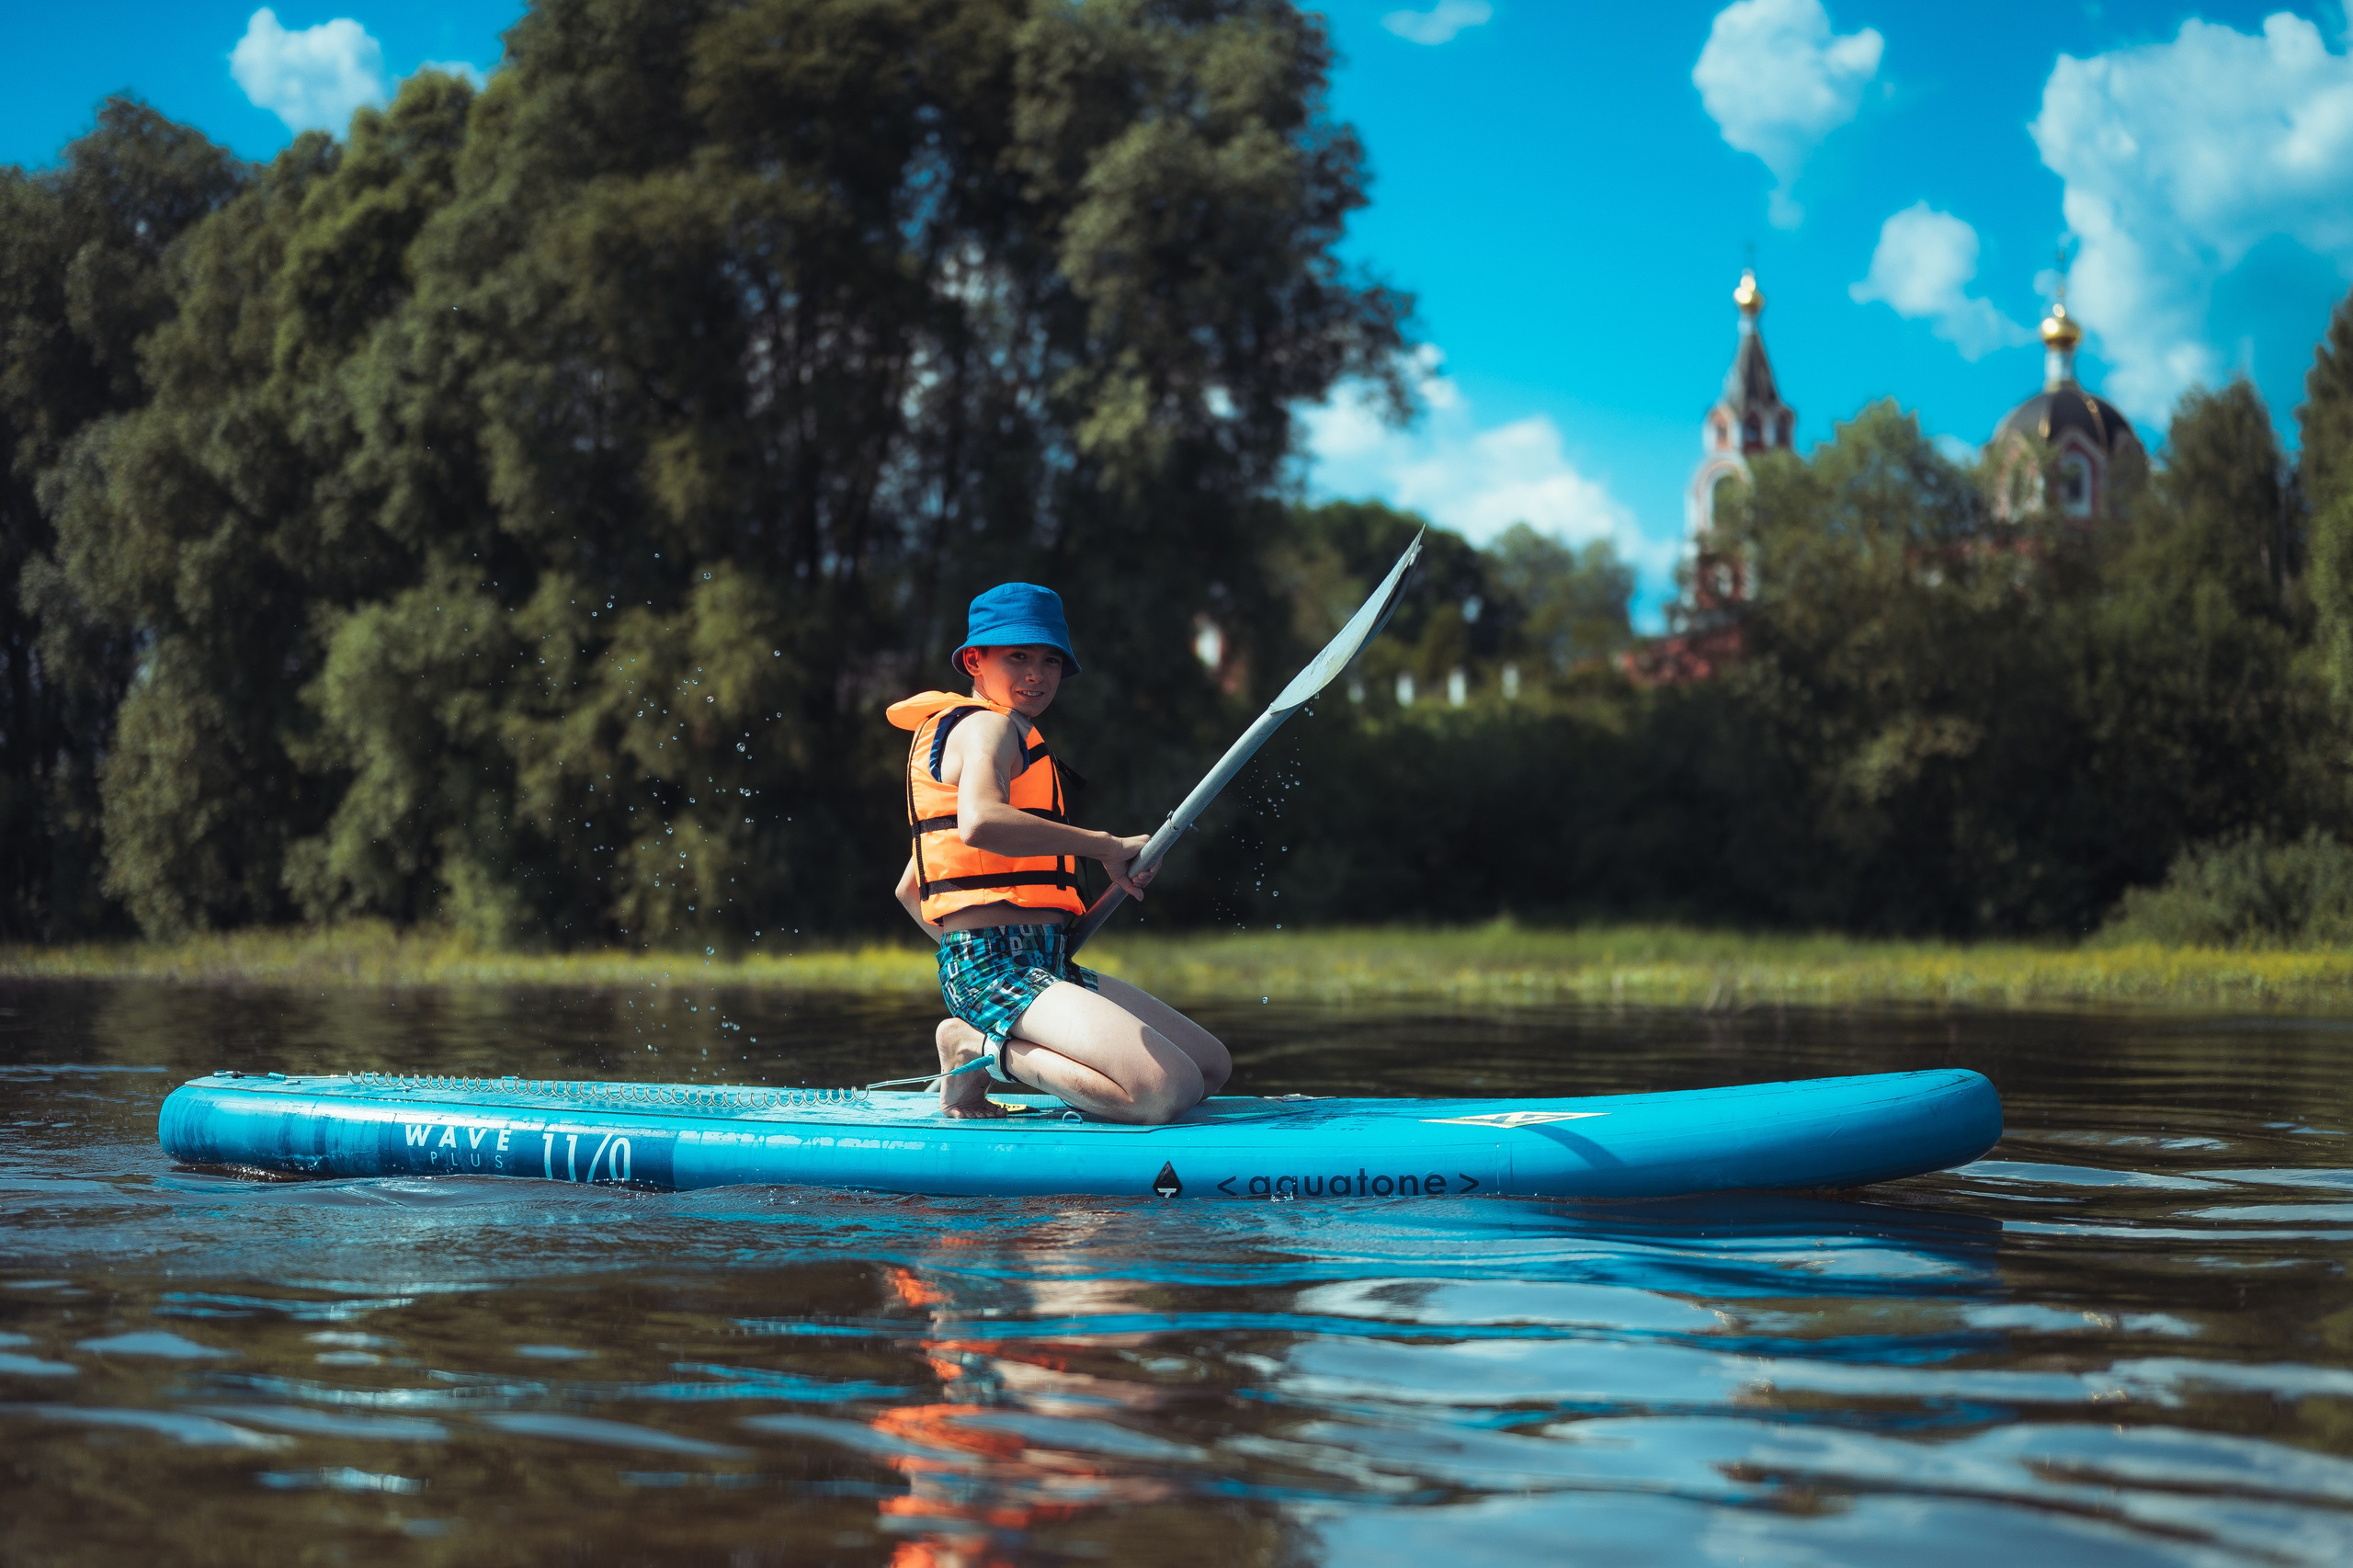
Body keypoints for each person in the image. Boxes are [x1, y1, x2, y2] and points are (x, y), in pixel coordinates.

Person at [888, 583, 1230, 1124]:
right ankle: (976, 1047)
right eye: (1017, 656)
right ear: (975, 661)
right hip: (994, 968)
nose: (1036, 674)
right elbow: (979, 822)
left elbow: (912, 887)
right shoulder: (987, 728)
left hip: (1044, 958)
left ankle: (989, 1039)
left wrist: (1001, 934)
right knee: (1164, 1091)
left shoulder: (1007, 739)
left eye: (1050, 661)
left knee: (1209, 1068)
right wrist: (1106, 848)